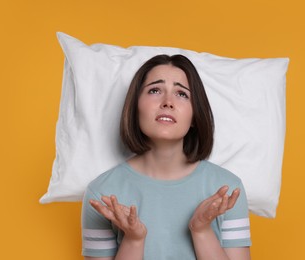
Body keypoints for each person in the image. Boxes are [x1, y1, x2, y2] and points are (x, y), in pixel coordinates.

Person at [81, 54, 251, 260]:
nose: (168, 102)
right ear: (134, 108)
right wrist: (133, 239)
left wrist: (201, 230)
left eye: (181, 94)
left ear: (195, 116)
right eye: (154, 90)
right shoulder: (102, 195)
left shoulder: (227, 191)